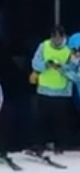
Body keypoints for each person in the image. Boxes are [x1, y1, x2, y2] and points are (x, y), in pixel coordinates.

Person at [29, 25, 76, 157]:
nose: (55, 41)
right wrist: (45, 65)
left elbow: (73, 68)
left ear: (63, 37)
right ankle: (39, 145)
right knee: (41, 120)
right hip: (44, 90)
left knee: (61, 121)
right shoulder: (43, 46)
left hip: (62, 92)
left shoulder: (70, 50)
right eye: (53, 37)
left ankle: (60, 146)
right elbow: (35, 63)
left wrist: (61, 67)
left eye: (58, 38)